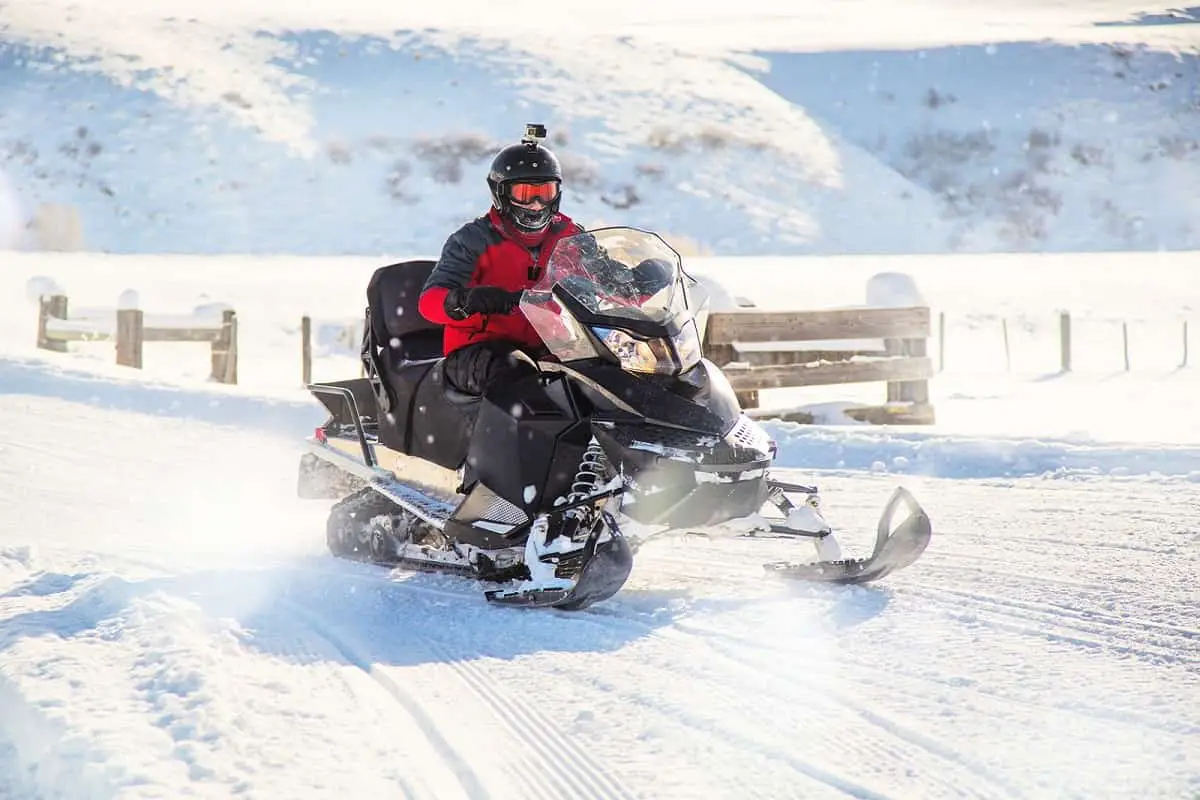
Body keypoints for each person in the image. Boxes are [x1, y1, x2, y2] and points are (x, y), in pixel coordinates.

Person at [417, 125, 584, 396]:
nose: (537, 204)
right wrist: (465, 300)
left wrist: (640, 280)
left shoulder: (571, 237)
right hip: (478, 351)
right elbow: (429, 302)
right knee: (517, 375)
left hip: (551, 346)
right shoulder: (472, 240)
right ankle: (507, 438)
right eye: (526, 194)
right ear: (501, 194)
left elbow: (605, 278)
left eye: (546, 192)